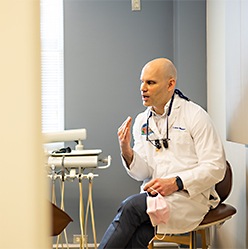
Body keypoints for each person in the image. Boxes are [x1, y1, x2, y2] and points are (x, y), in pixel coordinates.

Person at [98, 58, 226, 249]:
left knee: (131, 208)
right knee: (140, 235)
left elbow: (215, 167)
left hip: (189, 198)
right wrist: (127, 151)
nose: (143, 88)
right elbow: (142, 172)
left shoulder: (195, 115)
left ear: (170, 84)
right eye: (142, 82)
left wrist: (176, 182)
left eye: (150, 82)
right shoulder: (143, 121)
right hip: (158, 198)